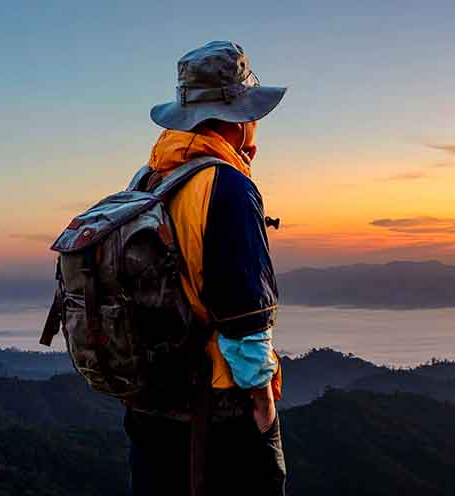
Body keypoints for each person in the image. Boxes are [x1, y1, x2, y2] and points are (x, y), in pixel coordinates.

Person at [123, 40, 288, 496]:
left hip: (148, 403)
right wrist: (263, 407)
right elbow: (245, 317)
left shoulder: (146, 180)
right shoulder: (227, 187)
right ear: (238, 118)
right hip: (214, 411)